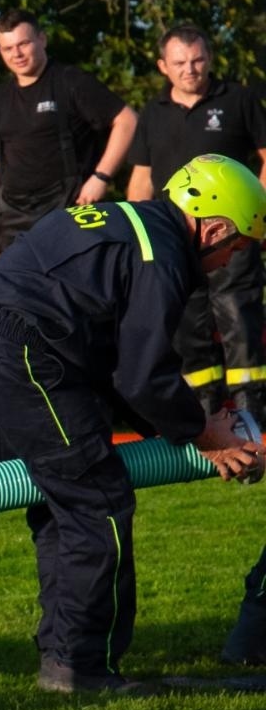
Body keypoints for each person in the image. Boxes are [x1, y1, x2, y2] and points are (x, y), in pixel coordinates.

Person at [0, 154, 266, 692]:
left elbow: (114, 364)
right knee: (97, 500)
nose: (231, 260)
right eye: (237, 246)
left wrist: (183, 423)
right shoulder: (161, 254)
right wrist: (205, 435)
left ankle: (63, 654)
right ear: (213, 228)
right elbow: (143, 375)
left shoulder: (128, 221)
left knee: (59, 501)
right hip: (20, 352)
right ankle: (84, 665)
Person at [124, 25, 266, 417]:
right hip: (176, 238)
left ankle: (251, 407)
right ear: (162, 66)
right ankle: (202, 409)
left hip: (232, 234)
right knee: (186, 322)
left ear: (210, 59)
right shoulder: (152, 113)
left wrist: (256, 214)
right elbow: (141, 178)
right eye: (180, 62)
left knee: (239, 314)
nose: (190, 69)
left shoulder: (238, 99)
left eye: (198, 60)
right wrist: (138, 233)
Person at [0, 8, 138, 254]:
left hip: (69, 212)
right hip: (14, 220)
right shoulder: (0, 97)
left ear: (42, 39)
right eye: (8, 48)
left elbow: (127, 121)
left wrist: (101, 178)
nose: (16, 54)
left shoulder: (71, 81)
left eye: (23, 44)